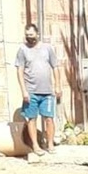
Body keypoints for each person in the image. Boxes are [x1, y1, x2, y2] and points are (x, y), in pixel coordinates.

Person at [15, 24, 61, 155]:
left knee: (49, 118)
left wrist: (57, 86)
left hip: (47, 92)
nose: (29, 38)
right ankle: (35, 145)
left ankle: (50, 143)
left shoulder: (47, 49)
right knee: (31, 119)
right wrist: (23, 90)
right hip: (31, 91)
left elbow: (55, 67)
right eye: (27, 35)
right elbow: (20, 70)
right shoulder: (22, 50)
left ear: (37, 34)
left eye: (31, 35)